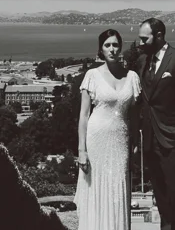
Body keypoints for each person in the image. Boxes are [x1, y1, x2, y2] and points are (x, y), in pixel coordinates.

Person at [136, 17, 175, 230]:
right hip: (150, 139)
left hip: (173, 138)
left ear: (159, 36)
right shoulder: (142, 61)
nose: (140, 43)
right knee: (160, 195)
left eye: (144, 39)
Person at [75, 29, 142, 230]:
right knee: (96, 188)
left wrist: (136, 142)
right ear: (101, 49)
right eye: (107, 45)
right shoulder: (92, 75)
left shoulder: (132, 77)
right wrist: (81, 150)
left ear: (120, 48)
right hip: (96, 140)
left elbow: (135, 115)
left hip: (121, 141)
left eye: (115, 45)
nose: (112, 49)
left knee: (118, 189)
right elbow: (83, 116)